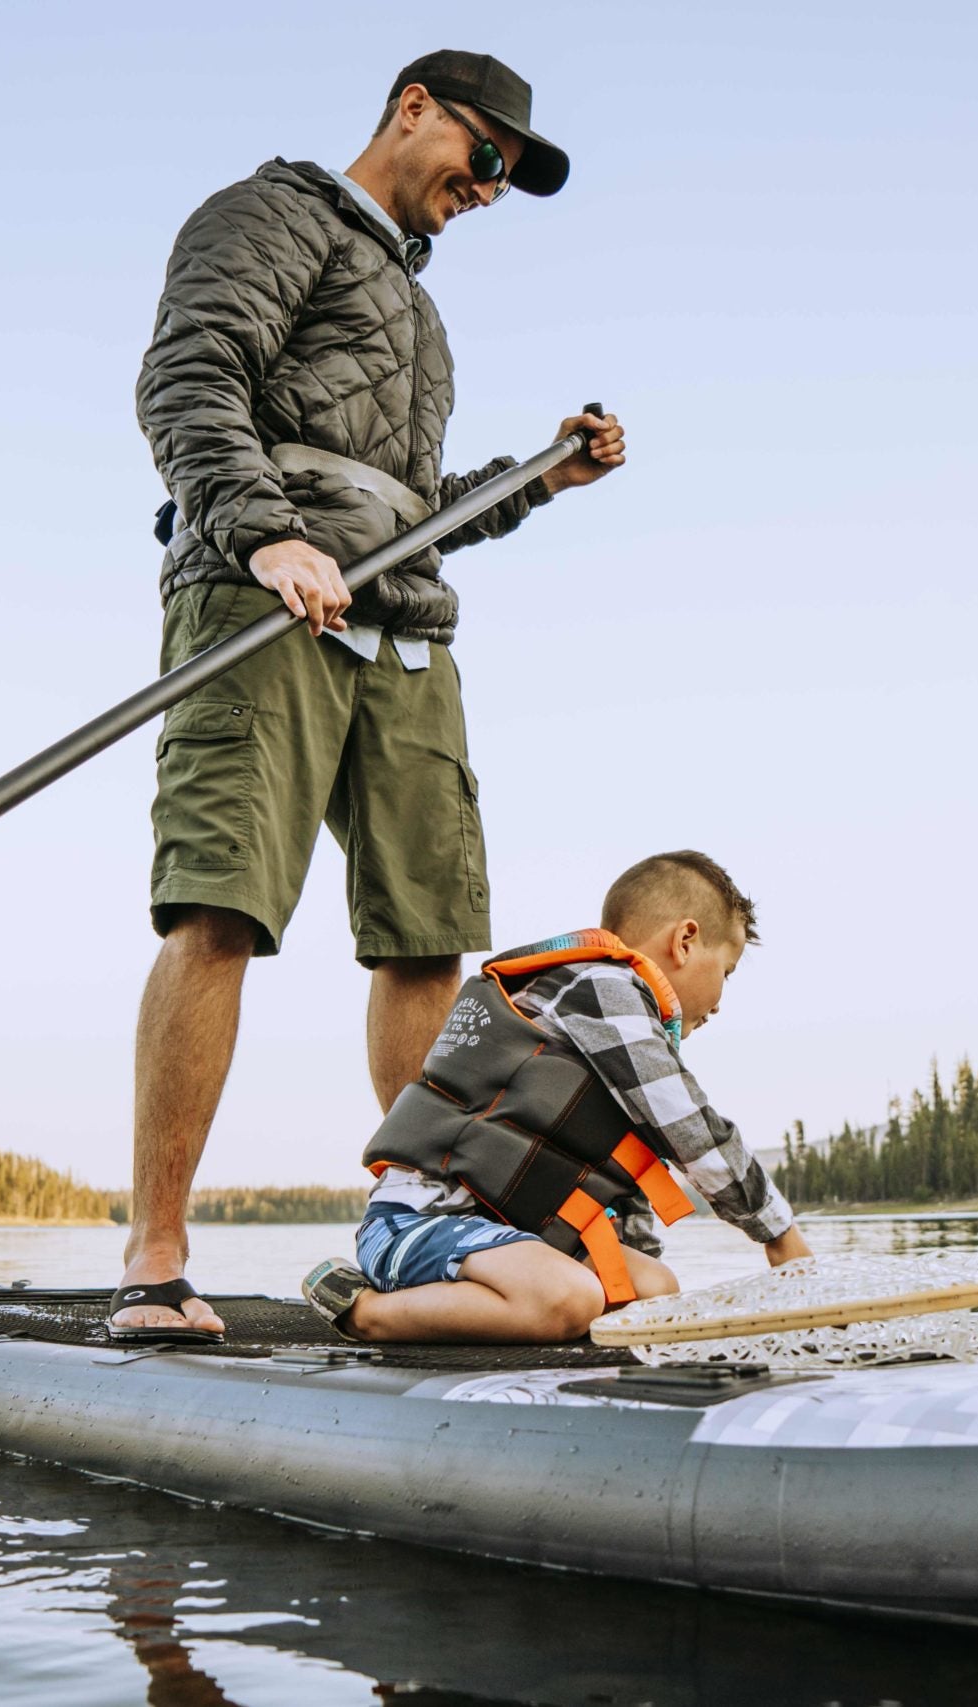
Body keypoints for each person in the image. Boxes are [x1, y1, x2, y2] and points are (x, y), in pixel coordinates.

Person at [111, 51, 628, 1343]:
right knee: (222, 900)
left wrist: (538, 480)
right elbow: (188, 379)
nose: (492, 190)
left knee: (426, 935)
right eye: (489, 158)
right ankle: (155, 1257)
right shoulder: (272, 215)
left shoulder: (423, 318)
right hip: (264, 597)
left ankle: (413, 1242)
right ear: (415, 110)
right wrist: (264, 534)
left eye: (511, 177)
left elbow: (415, 515)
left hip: (401, 630)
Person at [301, 851, 814, 1344]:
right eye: (726, 971)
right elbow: (685, 1122)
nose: (721, 1002)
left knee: (655, 1289)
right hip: (419, 1228)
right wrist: (779, 1237)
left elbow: (621, 1174)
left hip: (507, 1241)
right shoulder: (602, 987)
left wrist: (630, 1281)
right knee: (568, 1299)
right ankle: (360, 1309)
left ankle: (539, 1303)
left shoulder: (616, 1028)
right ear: (684, 941)